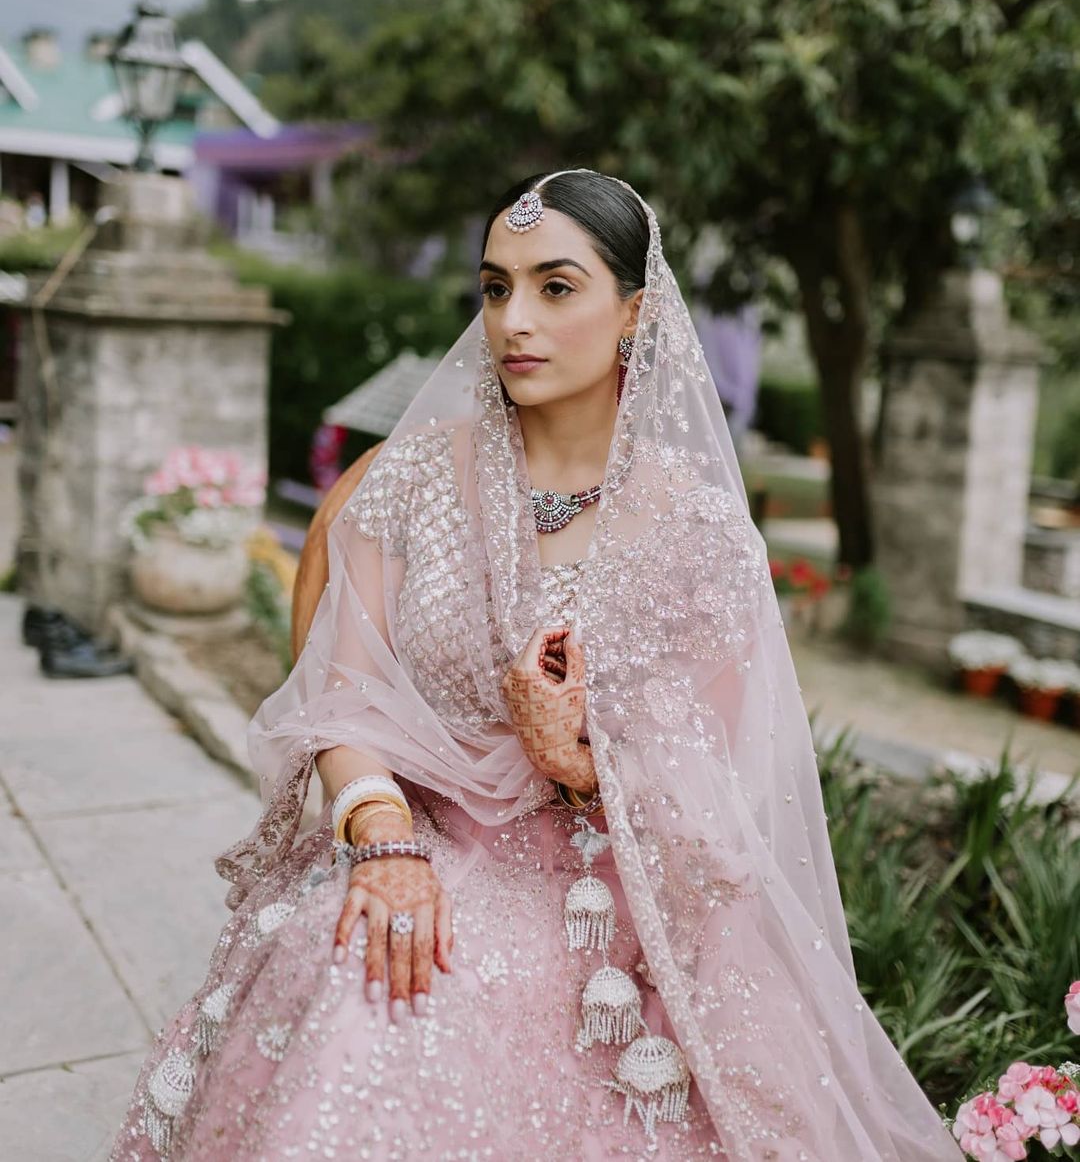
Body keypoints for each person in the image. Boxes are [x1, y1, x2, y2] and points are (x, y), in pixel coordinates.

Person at [110, 169, 961, 1160]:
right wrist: (383, 841)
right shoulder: (412, 480)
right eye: (495, 287)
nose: (515, 319)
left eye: (556, 288)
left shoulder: (695, 530)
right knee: (362, 973)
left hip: (608, 892)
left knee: (476, 994)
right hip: (418, 841)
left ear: (634, 314)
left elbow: (722, 800)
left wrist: (577, 756)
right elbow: (337, 700)